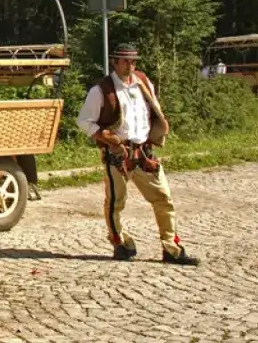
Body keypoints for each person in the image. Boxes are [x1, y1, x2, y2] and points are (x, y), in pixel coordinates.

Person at [76, 43, 199, 266]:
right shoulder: (101, 90)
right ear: (114, 61)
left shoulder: (143, 82)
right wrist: (106, 137)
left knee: (163, 198)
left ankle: (171, 247)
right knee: (115, 202)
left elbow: (154, 110)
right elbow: (83, 121)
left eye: (133, 61)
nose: (130, 66)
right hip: (117, 155)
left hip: (144, 153)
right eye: (125, 61)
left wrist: (157, 131)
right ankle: (120, 243)